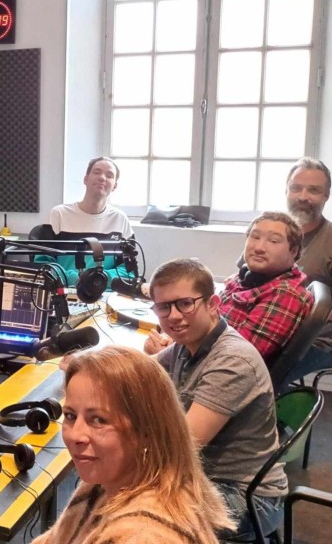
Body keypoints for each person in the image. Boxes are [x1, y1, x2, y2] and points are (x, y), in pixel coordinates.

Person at [31, 346, 233, 544]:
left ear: (147, 431)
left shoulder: (145, 536)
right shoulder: (108, 480)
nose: (76, 435)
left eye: (99, 420)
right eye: (70, 416)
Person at [147, 258, 286, 540]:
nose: (173, 316)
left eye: (185, 304)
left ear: (213, 304)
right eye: (163, 307)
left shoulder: (232, 360)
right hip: (203, 477)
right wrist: (90, 365)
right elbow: (141, 370)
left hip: (247, 496)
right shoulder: (186, 345)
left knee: (137, 514)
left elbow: (183, 445)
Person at [145, 212, 313, 364]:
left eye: (274, 241)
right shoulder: (247, 278)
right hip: (195, 353)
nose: (259, 247)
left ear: (293, 251)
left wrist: (171, 354)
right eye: (255, 237)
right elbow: (207, 321)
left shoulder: (286, 294)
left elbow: (237, 357)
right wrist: (173, 341)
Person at [40, 157, 133, 287]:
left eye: (109, 175)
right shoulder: (58, 214)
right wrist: (74, 279)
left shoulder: (120, 219)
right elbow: (42, 263)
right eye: (97, 172)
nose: (102, 178)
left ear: (115, 186)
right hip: (64, 291)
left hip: (105, 293)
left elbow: (129, 271)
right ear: (85, 179)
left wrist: (99, 279)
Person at [284, 157, 332, 381]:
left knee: (258, 374)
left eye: (313, 190)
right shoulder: (271, 233)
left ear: (326, 196)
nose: (303, 197)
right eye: (296, 188)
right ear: (286, 191)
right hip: (270, 330)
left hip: (317, 342)